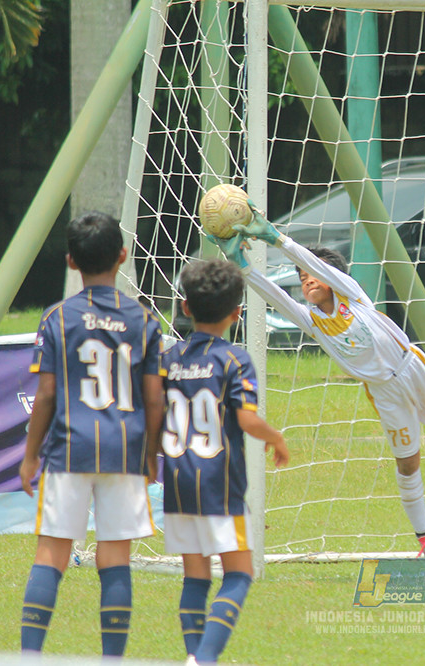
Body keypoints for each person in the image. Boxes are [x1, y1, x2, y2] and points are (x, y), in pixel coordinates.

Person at [211, 203, 425, 575]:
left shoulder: (353, 296)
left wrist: (277, 238)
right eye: (301, 275)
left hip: (413, 366)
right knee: (407, 462)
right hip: (384, 392)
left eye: (313, 274)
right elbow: (277, 297)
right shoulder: (312, 322)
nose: (306, 279)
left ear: (332, 277)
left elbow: (317, 265)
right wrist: (242, 268)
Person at [18, 211, 165, 655]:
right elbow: (155, 398)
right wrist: (152, 451)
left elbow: (45, 395)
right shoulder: (143, 319)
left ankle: (28, 657)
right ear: (122, 256)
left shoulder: (58, 318)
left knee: (51, 555)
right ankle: (112, 659)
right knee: (115, 557)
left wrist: (29, 456)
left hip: (69, 450)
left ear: (70, 261)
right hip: (124, 450)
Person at [161, 258, 288, 665]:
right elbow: (247, 420)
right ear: (237, 314)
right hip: (219, 486)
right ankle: (205, 658)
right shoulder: (234, 359)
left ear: (185, 307)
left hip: (177, 482)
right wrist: (277, 438)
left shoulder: (168, 359)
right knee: (238, 574)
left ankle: (193, 654)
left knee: (195, 577)